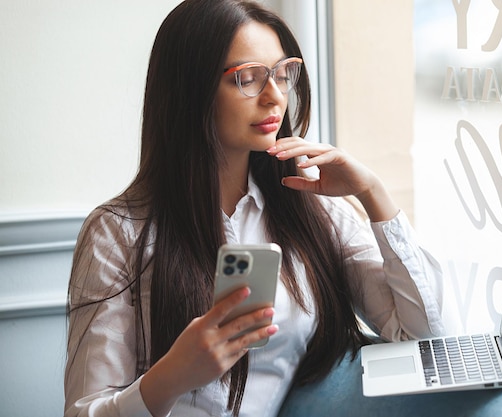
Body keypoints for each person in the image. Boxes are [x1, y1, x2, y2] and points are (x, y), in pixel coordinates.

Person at [64, 0, 446, 416]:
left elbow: (423, 336)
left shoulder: (312, 213)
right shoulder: (118, 232)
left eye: (283, 74)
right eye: (247, 78)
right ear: (189, 90)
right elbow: (85, 409)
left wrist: (373, 193)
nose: (275, 97)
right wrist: (172, 374)